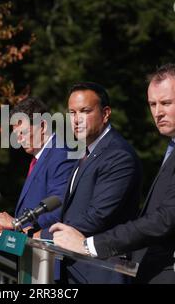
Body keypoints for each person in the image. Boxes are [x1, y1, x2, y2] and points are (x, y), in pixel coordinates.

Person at [50, 63, 175, 283]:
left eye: (166, 103)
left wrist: (88, 245)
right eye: (152, 104)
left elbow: (165, 219)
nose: (158, 113)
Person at [41, 82, 142, 284]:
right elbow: (72, 211)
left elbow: (97, 217)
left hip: (103, 272)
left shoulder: (118, 155)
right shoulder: (87, 152)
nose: (76, 120)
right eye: (72, 112)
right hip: (76, 270)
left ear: (105, 114)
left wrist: (39, 234)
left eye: (85, 111)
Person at [0, 97, 76, 236]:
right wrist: (13, 228)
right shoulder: (40, 157)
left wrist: (16, 223)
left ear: (42, 126)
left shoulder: (61, 155)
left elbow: (58, 211)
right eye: (16, 135)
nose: (19, 140)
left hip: (48, 252)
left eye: (23, 133)